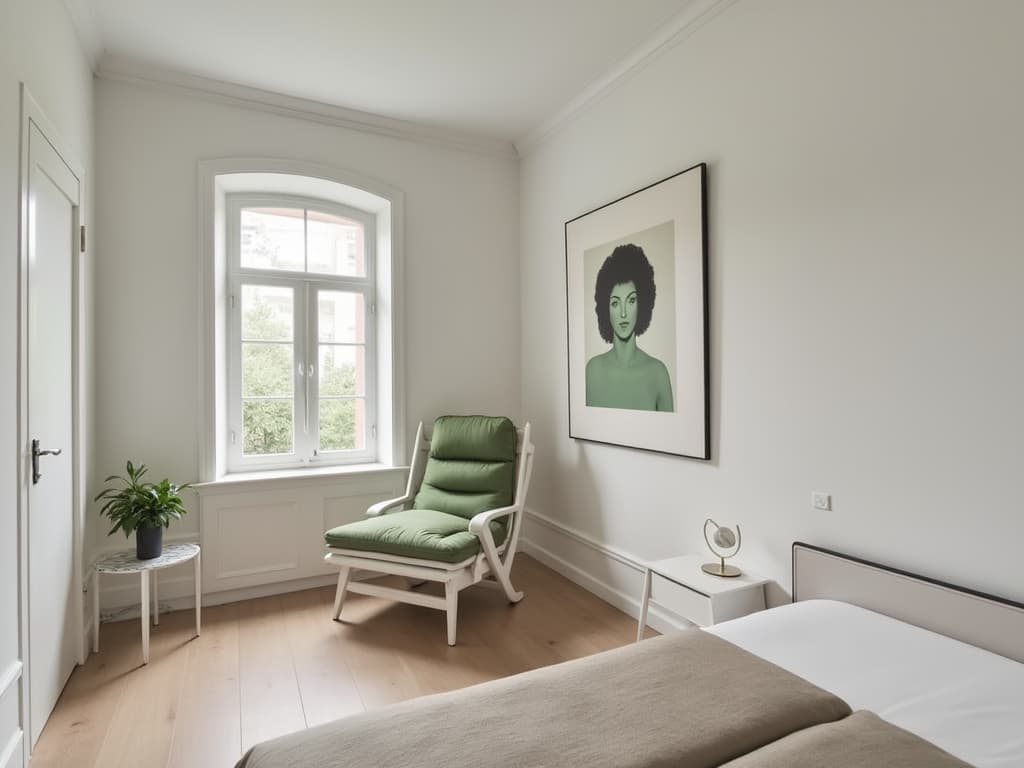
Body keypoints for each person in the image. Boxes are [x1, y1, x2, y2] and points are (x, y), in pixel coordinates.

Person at [585, 243, 673, 411]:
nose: (623, 314)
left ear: (643, 304)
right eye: (615, 303)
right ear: (606, 308)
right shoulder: (592, 370)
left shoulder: (658, 373)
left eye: (631, 300)